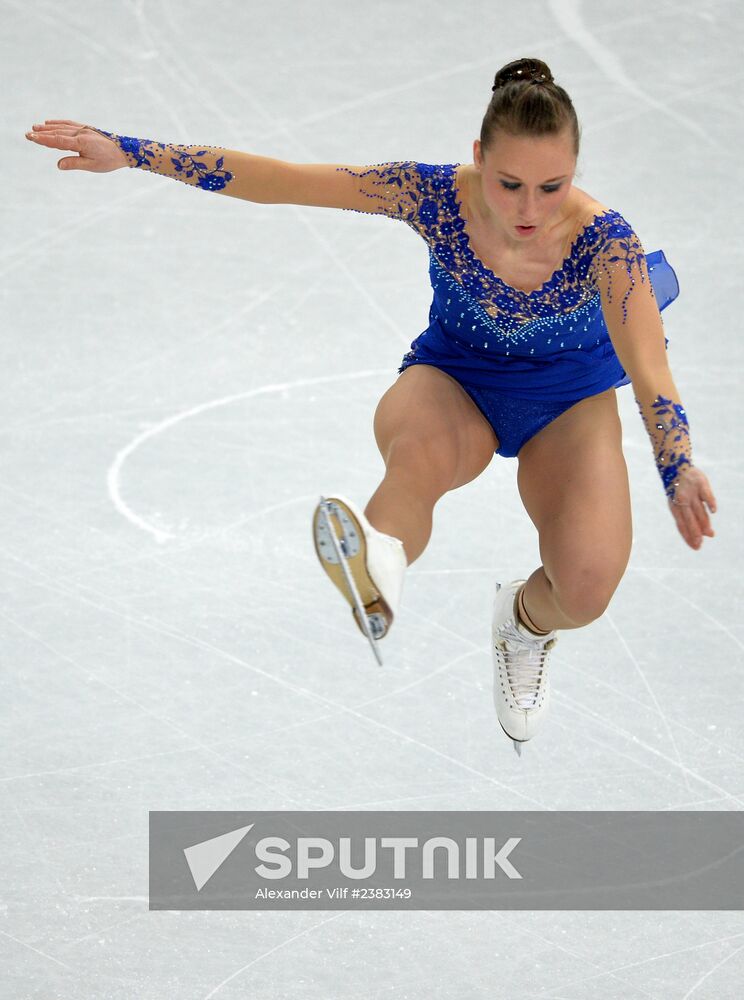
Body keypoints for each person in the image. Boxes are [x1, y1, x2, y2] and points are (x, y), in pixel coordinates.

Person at [25, 56, 717, 753]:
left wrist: (677, 467)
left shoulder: (608, 245)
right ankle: (379, 560)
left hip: (568, 400)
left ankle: (523, 622)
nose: (529, 210)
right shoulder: (431, 193)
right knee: (416, 461)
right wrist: (133, 153)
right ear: (477, 159)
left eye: (551, 186)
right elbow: (283, 182)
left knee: (587, 589)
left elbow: (651, 370)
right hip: (457, 379)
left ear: (574, 169)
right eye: (509, 185)